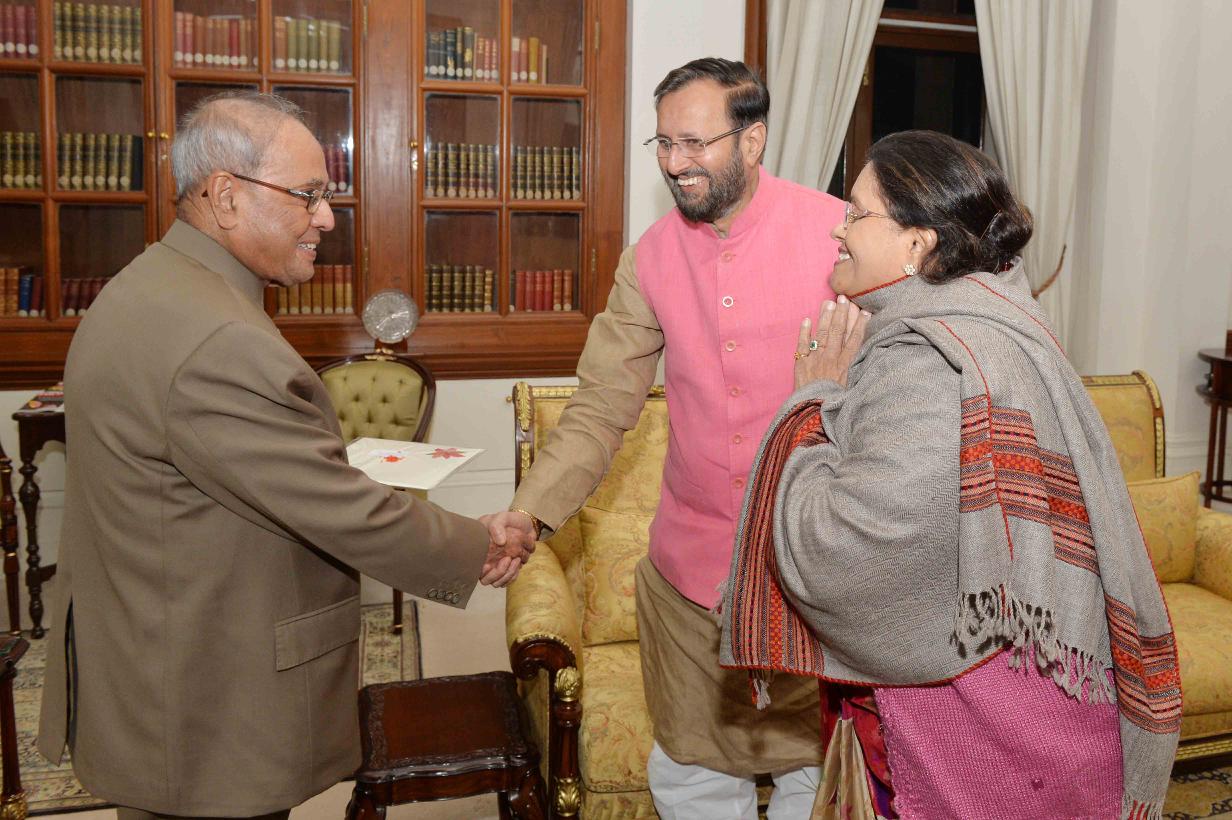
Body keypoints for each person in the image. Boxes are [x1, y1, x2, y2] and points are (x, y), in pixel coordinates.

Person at [37, 91, 529, 820]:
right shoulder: (218, 339)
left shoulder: (150, 284)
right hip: (206, 707)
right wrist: (475, 545)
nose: (326, 218)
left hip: (157, 667)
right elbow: (335, 505)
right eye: (308, 195)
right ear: (226, 196)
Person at [720, 130, 1180, 819]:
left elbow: (840, 552)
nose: (837, 231)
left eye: (856, 213)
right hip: (1032, 708)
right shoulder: (992, 319)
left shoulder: (925, 361)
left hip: (979, 734)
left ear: (918, 242)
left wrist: (813, 399)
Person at [484, 58, 846, 817]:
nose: (676, 162)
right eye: (664, 143)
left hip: (817, 575)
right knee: (691, 774)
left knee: (818, 778)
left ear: (753, 141)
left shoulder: (841, 236)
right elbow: (600, 405)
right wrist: (531, 511)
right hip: (691, 579)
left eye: (695, 142)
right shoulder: (648, 258)